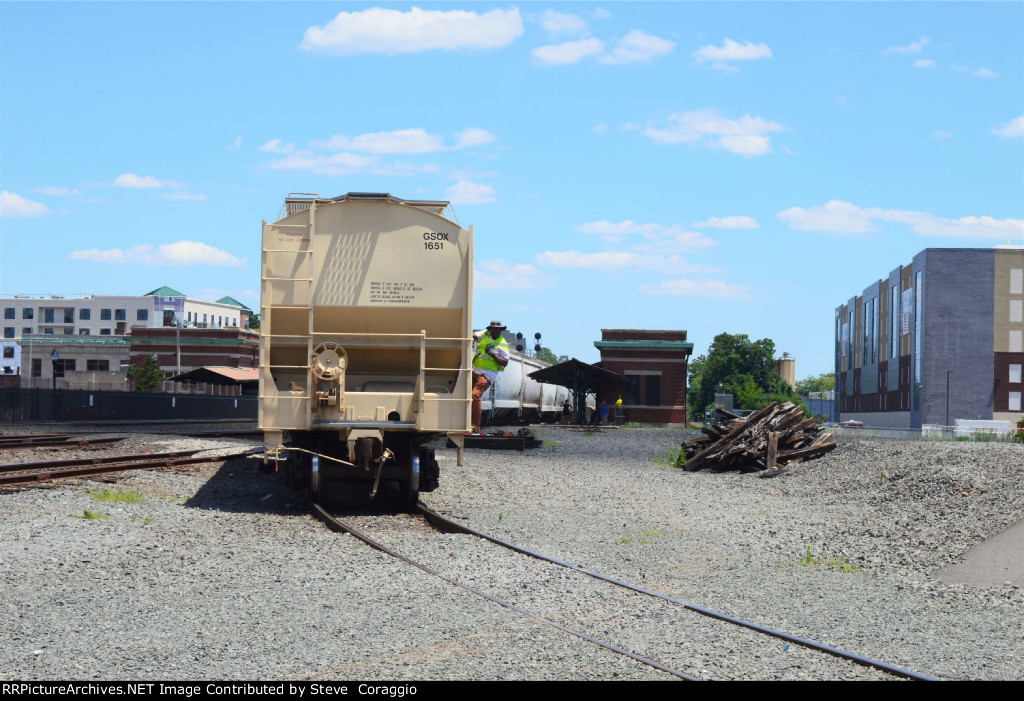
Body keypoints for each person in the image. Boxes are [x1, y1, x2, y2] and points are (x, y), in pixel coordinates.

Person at [471, 320, 510, 433]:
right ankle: (464, 421)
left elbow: (505, 362)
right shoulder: (485, 333)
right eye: (493, 328)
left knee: (475, 395)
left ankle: (475, 424)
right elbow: (473, 336)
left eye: (498, 329)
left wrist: (493, 354)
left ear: (501, 330)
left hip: (487, 374)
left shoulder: (502, 343)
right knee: (465, 396)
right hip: (474, 370)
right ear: (490, 328)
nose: (495, 330)